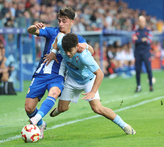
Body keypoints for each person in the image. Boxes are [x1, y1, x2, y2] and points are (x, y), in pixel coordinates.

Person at [46, 33, 136, 135]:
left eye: (70, 51)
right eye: (66, 51)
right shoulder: (63, 43)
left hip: (88, 81)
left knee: (97, 108)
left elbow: (100, 74)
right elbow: (59, 35)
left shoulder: (84, 56)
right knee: (62, 108)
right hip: (72, 79)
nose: (68, 54)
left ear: (77, 46)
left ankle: (125, 126)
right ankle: (62, 107)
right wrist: (53, 52)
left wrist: (92, 92)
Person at [25, 6, 94, 139]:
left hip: (58, 76)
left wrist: (87, 46)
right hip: (40, 73)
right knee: (29, 108)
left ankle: (35, 120)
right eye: (59, 21)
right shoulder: (52, 32)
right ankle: (40, 123)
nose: (61, 24)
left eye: (64, 21)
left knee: (55, 92)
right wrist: (34, 27)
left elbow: (90, 51)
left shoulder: (76, 38)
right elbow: (31, 31)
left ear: (72, 22)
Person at [132, 16, 153, 92]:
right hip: (137, 53)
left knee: (149, 69)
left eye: (143, 21)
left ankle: (151, 85)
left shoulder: (148, 31)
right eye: (140, 21)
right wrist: (143, 39)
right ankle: (138, 86)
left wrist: (139, 40)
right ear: (138, 22)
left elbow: (149, 41)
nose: (141, 23)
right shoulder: (135, 31)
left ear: (145, 22)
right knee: (137, 70)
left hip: (146, 53)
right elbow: (134, 41)